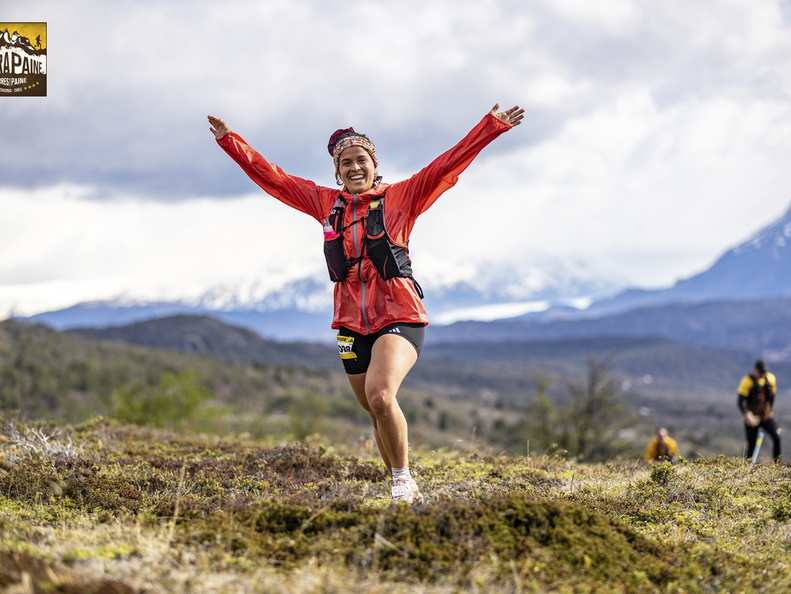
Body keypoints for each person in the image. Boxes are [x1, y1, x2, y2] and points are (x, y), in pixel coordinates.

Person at [208, 104, 524, 504]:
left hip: (398, 314)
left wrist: (490, 127)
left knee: (380, 395)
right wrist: (230, 141)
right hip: (350, 323)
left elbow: (447, 164)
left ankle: (402, 481)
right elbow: (274, 178)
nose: (355, 167)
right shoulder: (326, 203)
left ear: (375, 164)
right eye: (346, 163)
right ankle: (401, 485)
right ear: (337, 171)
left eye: (362, 160)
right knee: (376, 410)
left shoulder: (403, 196)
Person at [737, 359, 781, 461]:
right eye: (760, 372)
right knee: (752, 445)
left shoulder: (771, 379)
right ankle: (747, 466)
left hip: (765, 416)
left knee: (777, 437)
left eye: (764, 372)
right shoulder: (747, 381)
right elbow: (740, 401)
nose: (762, 374)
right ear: (755, 370)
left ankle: (778, 464)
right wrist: (747, 414)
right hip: (752, 417)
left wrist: (770, 410)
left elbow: (772, 396)